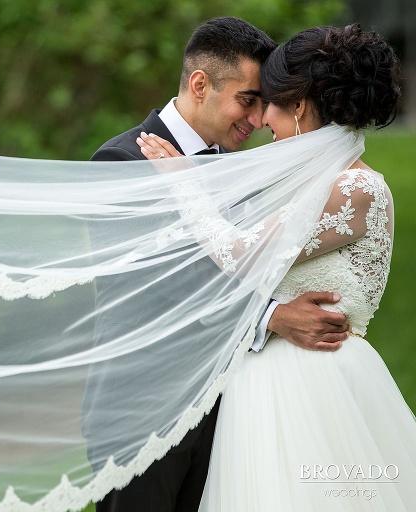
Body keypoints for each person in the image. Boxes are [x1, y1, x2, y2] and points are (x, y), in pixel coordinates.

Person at [139, 24, 416, 510]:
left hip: (314, 390)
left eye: (268, 102)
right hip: (266, 385)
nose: (263, 119)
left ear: (300, 106)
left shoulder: (356, 190)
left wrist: (184, 185)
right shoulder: (315, 182)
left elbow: (240, 255)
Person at [84, 17, 349, 512]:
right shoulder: (120, 162)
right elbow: (158, 287)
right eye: (247, 100)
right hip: (143, 413)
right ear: (201, 84)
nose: (256, 117)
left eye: (263, 104)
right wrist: (271, 315)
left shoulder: (239, 168)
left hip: (227, 415)